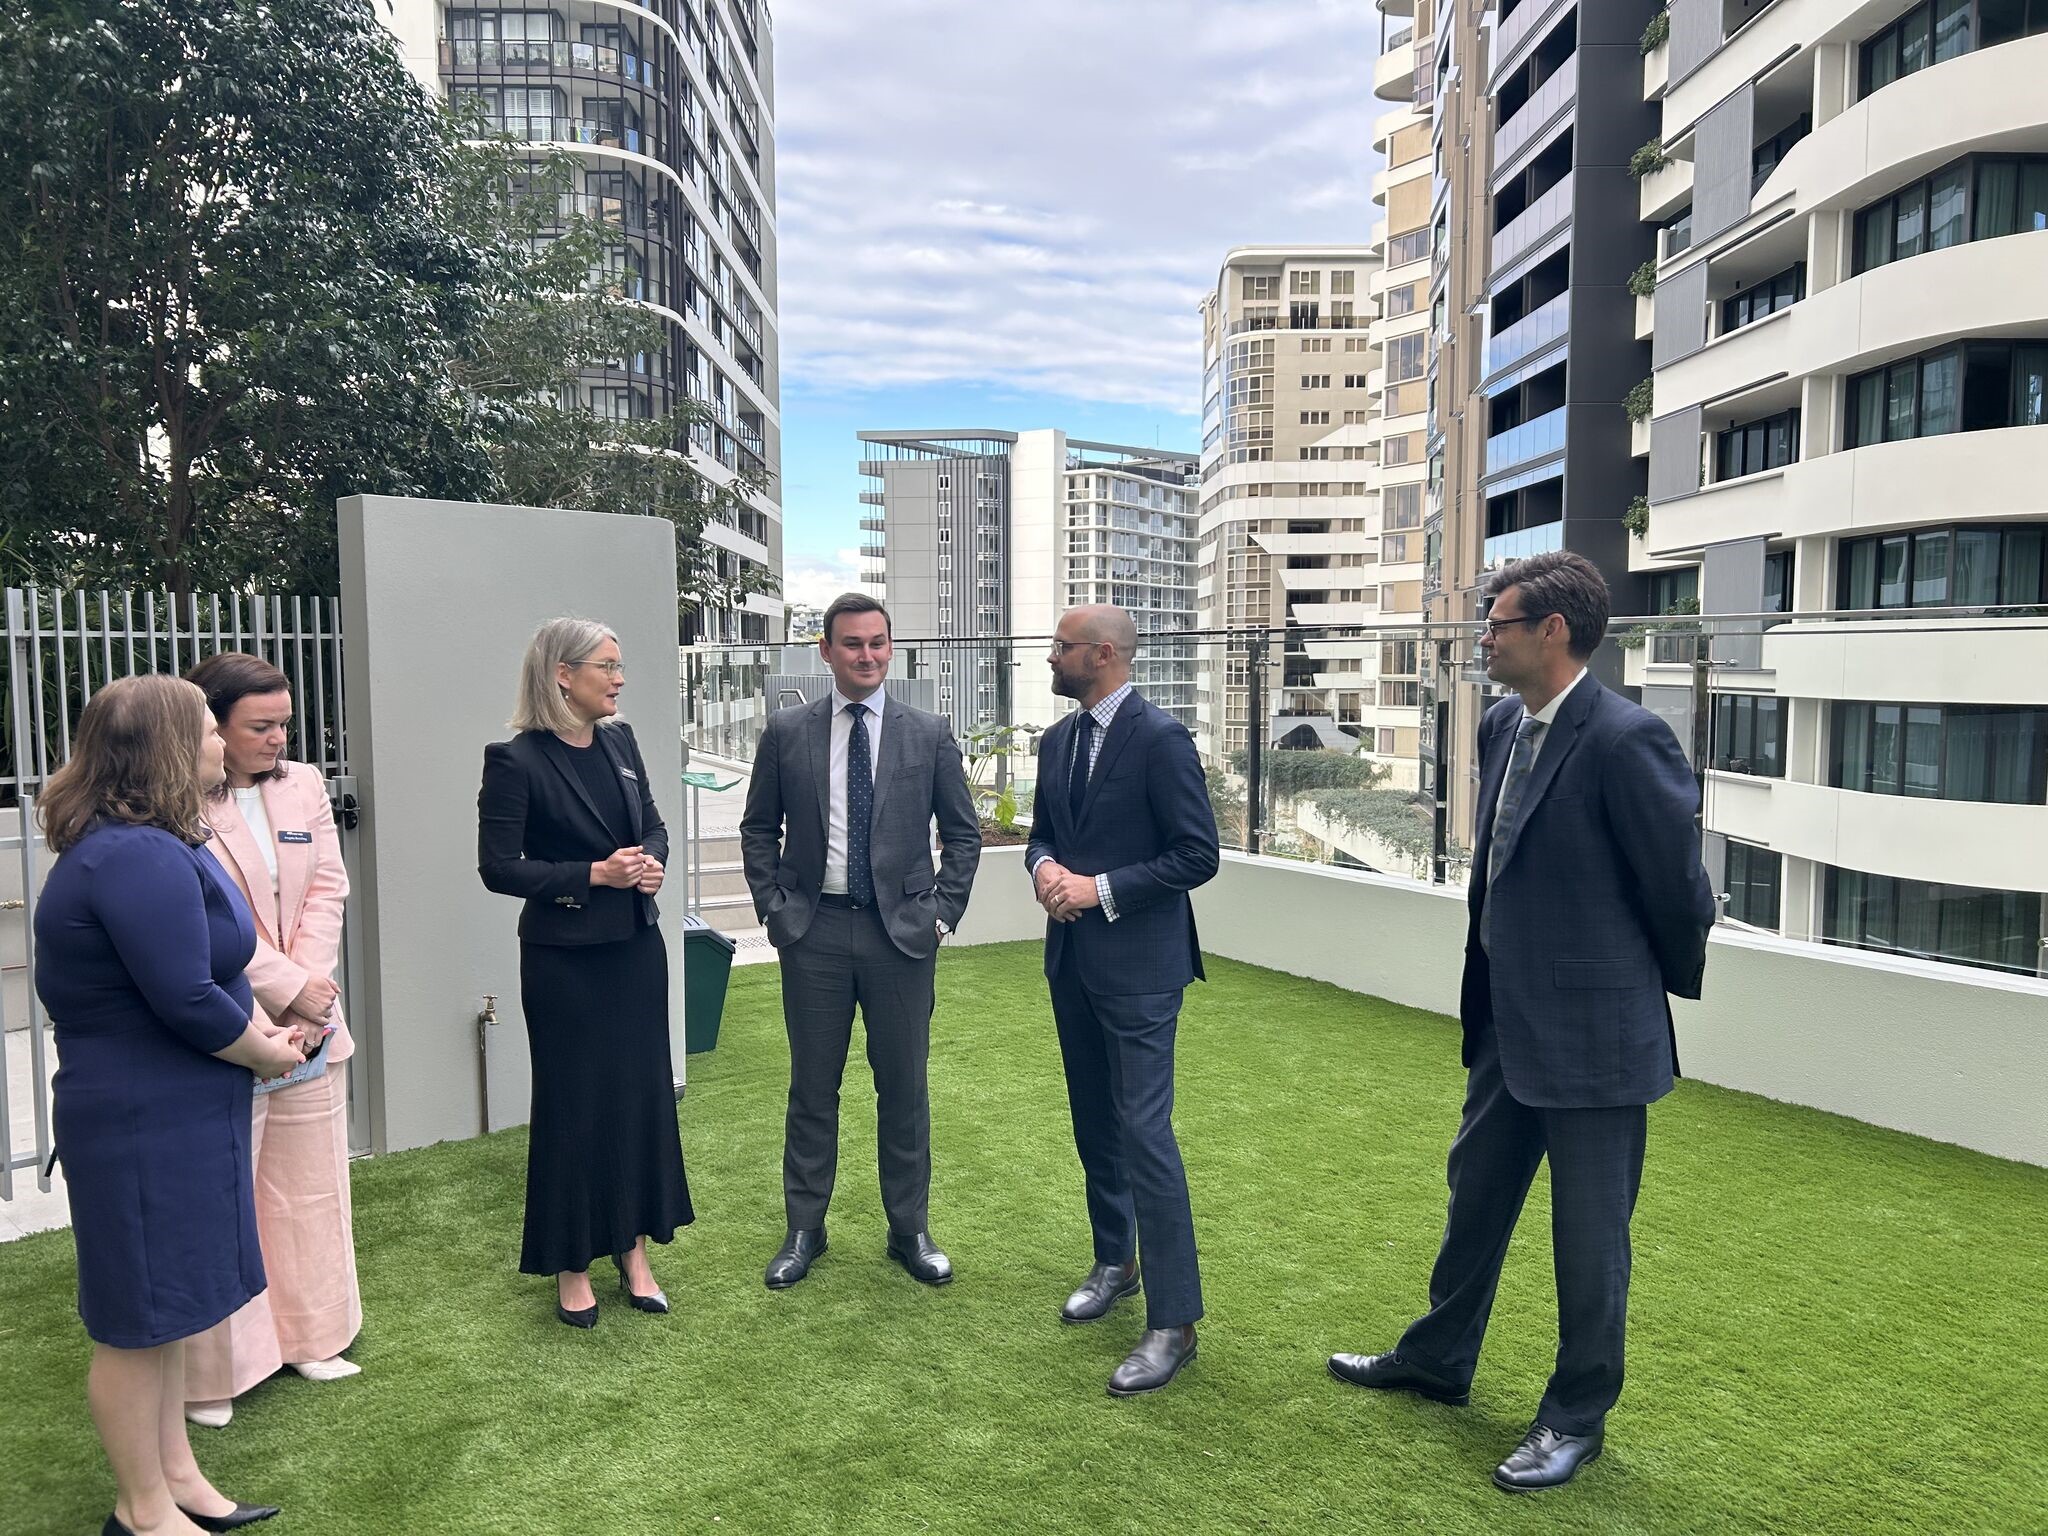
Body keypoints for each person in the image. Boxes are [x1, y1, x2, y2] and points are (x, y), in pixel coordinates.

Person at [1328, 551, 1715, 1492]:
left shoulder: (1627, 740)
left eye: (1496, 624)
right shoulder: (1504, 722)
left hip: (1598, 1039)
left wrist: (1634, 999)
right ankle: (1438, 1359)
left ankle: (1575, 1418)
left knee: (1589, 1241)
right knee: (1475, 1199)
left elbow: (1679, 892)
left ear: (1552, 631)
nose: (1483, 638)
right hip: (1507, 1021)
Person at [34, 675, 304, 1535]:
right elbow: (185, 995)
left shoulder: (152, 842)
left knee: (171, 1310)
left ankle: (176, 1477)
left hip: (177, 1111)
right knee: (137, 1322)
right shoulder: (133, 856)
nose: (222, 741)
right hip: (141, 1121)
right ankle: (142, 1510)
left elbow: (205, 976)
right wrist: (265, 1050)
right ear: (169, 748)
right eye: (208, 730)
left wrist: (256, 1033)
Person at [739, 592, 980, 1290]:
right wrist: (775, 911)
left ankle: (909, 1231)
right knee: (813, 1088)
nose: (867, 655)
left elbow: (963, 835)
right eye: (852, 643)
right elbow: (759, 830)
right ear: (826, 651)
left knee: (903, 1088)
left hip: (900, 936)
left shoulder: (927, 732)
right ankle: (804, 1230)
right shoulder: (787, 731)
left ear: (890, 648)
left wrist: (941, 915)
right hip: (813, 932)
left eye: (877, 642)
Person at [1025, 604, 1219, 1397]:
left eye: (1061, 647)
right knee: (1095, 1125)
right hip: (1072, 964)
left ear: (1102, 654)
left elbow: (1197, 854)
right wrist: (1043, 869)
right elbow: (1043, 835)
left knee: (1144, 1134)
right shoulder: (1058, 741)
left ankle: (1175, 1324)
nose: (1051, 657)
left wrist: (1097, 889)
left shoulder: (1162, 740)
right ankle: (1116, 1262)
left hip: (1142, 971)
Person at [476, 618, 692, 1327]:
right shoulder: (515, 761)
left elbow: (653, 825)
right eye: (607, 665)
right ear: (562, 675)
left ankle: (634, 1251)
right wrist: (593, 874)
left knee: (639, 1096)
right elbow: (499, 868)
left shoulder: (621, 742)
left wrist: (651, 862)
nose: (619, 678)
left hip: (634, 949)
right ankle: (572, 1265)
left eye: (619, 665)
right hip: (564, 961)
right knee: (573, 1105)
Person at [182, 653, 361, 1428]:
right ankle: (219, 1371)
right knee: (225, 1199)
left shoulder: (305, 784)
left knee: (309, 1189)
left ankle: (313, 1337)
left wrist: (309, 991)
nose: (277, 738)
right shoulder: (177, 801)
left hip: (310, 1022)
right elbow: (203, 917)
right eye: (259, 726)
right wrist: (284, 987)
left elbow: (327, 888)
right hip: (228, 1021)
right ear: (211, 723)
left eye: (284, 723)